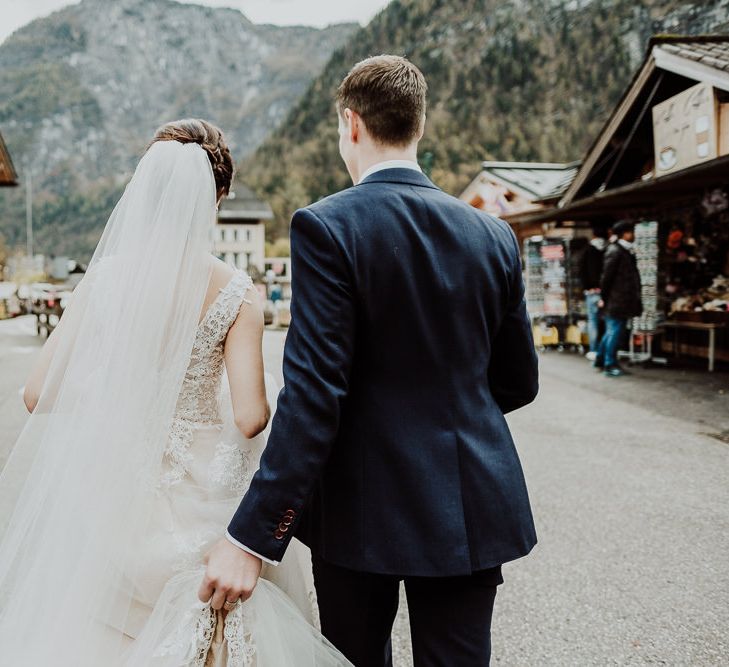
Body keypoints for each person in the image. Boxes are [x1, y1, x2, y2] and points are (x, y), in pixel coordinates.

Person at [203, 55, 539, 665]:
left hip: (362, 506)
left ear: (350, 124)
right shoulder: (493, 235)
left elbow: (313, 396)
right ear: (419, 125)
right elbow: (518, 382)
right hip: (469, 498)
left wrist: (251, 535)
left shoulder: (327, 227)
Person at [0, 120, 349, 665]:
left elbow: (37, 393)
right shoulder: (236, 292)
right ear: (220, 197)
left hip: (112, 490)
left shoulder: (105, 279)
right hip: (200, 494)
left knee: (102, 629)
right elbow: (252, 416)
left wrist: (119, 394)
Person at [595, 220, 643, 378]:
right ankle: (610, 364)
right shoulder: (616, 251)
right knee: (615, 332)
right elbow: (606, 277)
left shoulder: (624, 251)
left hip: (620, 300)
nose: (633, 235)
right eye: (631, 232)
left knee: (611, 331)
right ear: (625, 233)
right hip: (616, 301)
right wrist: (603, 297)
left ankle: (601, 359)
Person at [579, 224, 608, 360]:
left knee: (593, 321)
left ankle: (594, 350)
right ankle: (606, 350)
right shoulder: (609, 248)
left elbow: (581, 271)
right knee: (608, 322)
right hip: (606, 291)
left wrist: (587, 287)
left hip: (592, 292)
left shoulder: (587, 250)